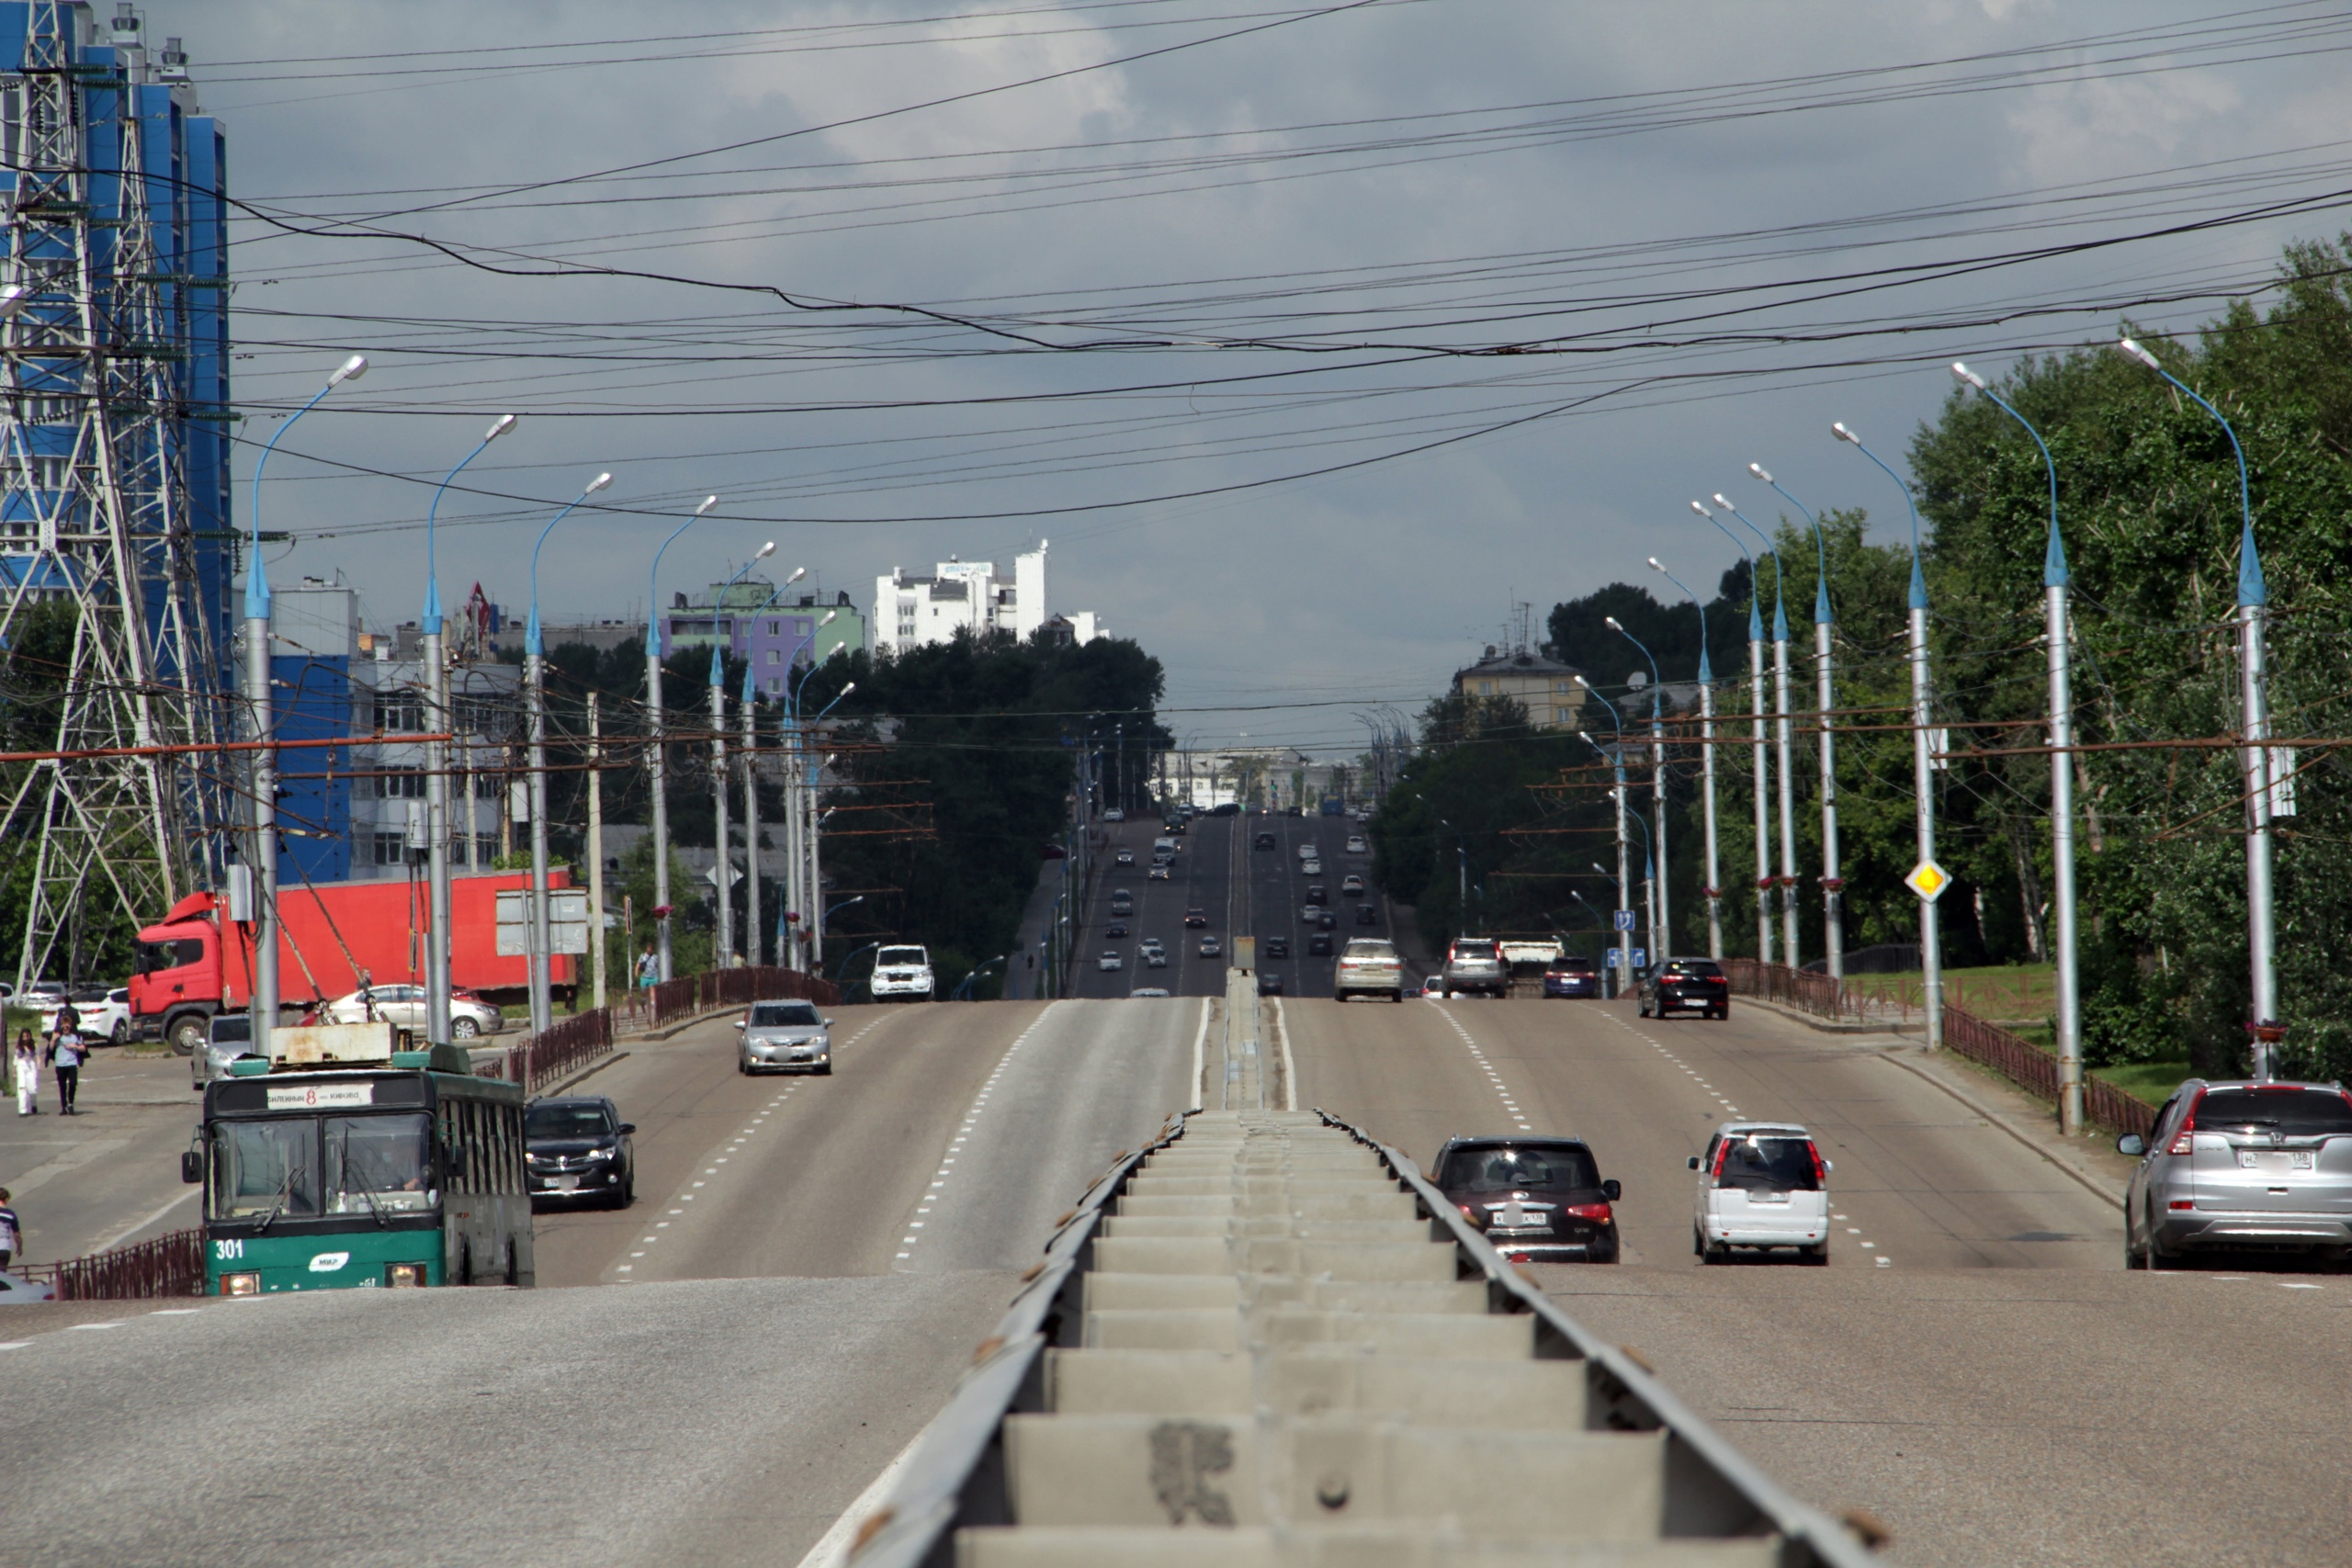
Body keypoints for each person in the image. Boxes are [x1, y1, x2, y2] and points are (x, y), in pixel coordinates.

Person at [50, 1025, 83, 1115]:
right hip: (60, 1064)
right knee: (62, 1086)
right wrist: (53, 1039)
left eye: (67, 1027)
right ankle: (64, 1107)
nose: (65, 1028)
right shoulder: (58, 1038)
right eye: (63, 1027)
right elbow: (51, 1048)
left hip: (71, 1063)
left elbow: (83, 1048)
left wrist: (74, 1046)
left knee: (73, 1083)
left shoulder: (74, 1037)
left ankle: (70, 1104)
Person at [11, 1030, 38, 1117]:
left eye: (27, 1036)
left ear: (30, 1036)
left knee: (33, 1088)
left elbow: (37, 1056)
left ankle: (34, 1104)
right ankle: (22, 1110)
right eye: (23, 1036)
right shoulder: (19, 1047)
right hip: (21, 1065)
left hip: (31, 1065)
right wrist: (14, 1071)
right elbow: (16, 1059)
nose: (25, 1038)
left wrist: (40, 1064)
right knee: (22, 1087)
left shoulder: (34, 1045)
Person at [0, 1187, 17, 1269]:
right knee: (2, 1276)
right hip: (4, 1247)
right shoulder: (10, 1214)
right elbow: (16, 1234)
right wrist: (19, 1246)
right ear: (6, 1199)